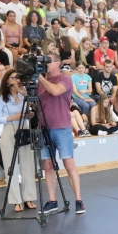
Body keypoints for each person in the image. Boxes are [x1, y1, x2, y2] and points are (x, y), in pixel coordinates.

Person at [36, 53, 84, 213]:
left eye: (48, 61)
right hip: (44, 128)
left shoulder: (65, 79)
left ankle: (79, 200)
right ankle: (52, 200)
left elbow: (55, 91)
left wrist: (40, 78)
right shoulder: (41, 82)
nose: (45, 63)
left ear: (58, 63)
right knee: (48, 165)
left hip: (62, 127)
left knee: (69, 164)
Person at [0, 69, 43, 209]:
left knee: (27, 165)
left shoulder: (23, 95)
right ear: (7, 81)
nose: (17, 80)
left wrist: (29, 114)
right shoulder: (1, 98)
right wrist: (12, 117)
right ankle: (16, 200)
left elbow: (34, 108)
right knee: (11, 166)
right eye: (13, 77)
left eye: (18, 78)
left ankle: (29, 197)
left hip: (24, 127)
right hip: (9, 129)